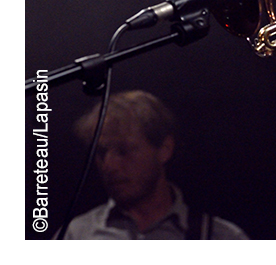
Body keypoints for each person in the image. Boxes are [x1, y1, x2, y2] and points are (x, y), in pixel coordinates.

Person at [62, 90, 249, 240]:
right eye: (101, 153)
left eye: (123, 151)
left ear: (164, 150)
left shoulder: (221, 238)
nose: (108, 165)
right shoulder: (78, 235)